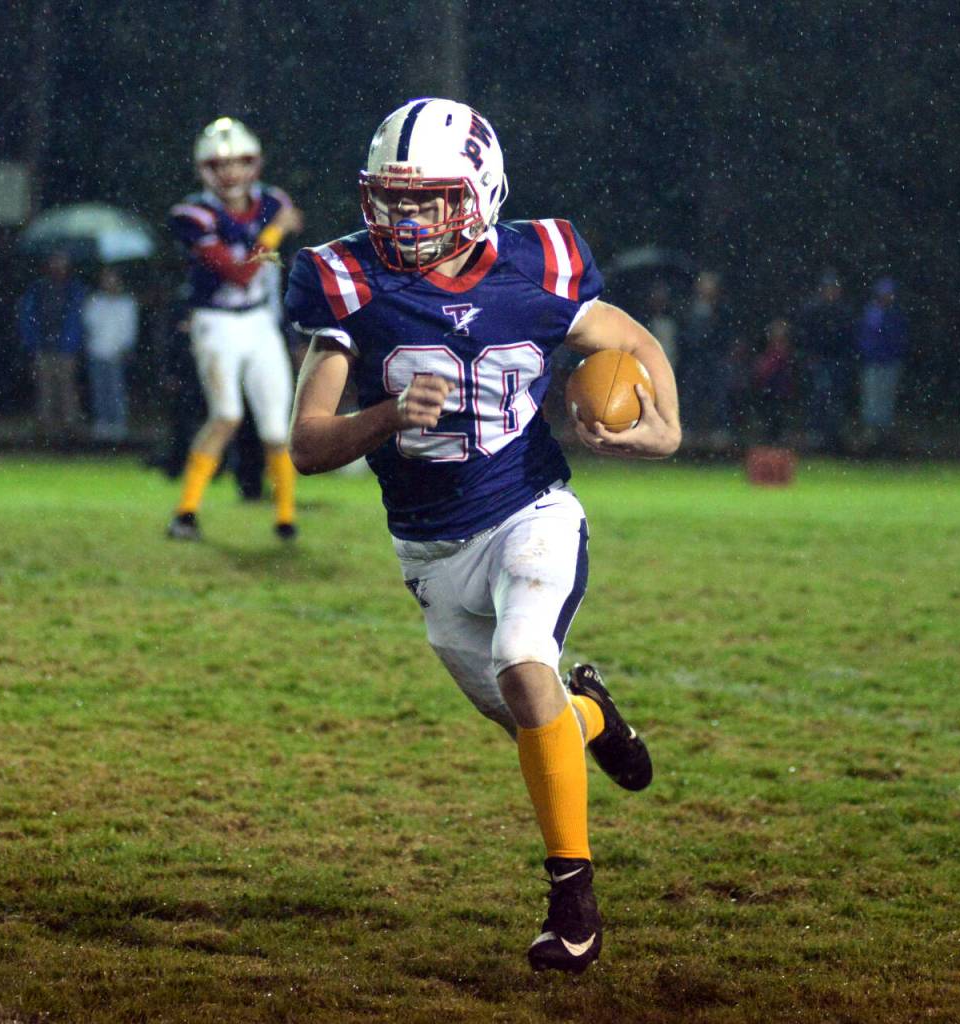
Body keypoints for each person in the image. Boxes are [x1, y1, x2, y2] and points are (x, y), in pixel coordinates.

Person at [285, 99, 681, 974]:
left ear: (479, 193)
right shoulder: (350, 281)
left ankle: (572, 898)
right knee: (533, 716)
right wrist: (385, 415)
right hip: (429, 550)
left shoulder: (541, 264)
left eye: (427, 200)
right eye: (392, 199)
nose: (405, 218)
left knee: (521, 658)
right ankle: (593, 716)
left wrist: (665, 431)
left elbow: (629, 337)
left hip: (530, 508)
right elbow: (307, 443)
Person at [166, 117, 304, 541]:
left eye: (240, 162)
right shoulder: (194, 213)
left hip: (260, 322)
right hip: (216, 322)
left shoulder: (270, 200)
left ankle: (285, 519)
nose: (230, 173)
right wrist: (277, 229)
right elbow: (238, 273)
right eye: (220, 164)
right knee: (226, 414)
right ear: (204, 169)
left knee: (277, 428)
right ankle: (185, 512)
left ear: (254, 164)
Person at [18, 250, 87, 443]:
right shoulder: (38, 289)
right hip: (43, 345)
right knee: (45, 388)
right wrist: (32, 342)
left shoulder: (74, 289)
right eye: (55, 262)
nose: (58, 266)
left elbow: (78, 319)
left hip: (66, 347)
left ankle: (70, 428)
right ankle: (46, 428)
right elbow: (28, 316)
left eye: (62, 262)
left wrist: (73, 342)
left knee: (67, 388)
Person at [794, 269, 855, 452]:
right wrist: (810, 355)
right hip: (818, 361)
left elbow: (848, 337)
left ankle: (832, 436)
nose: (831, 291)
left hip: (837, 361)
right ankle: (816, 435)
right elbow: (804, 335)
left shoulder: (843, 311)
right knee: (818, 398)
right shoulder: (813, 309)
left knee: (835, 399)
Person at [677, 270, 735, 443]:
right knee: (691, 395)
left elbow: (726, 335)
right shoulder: (687, 308)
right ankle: (688, 430)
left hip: (715, 358)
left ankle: (719, 430)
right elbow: (682, 334)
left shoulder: (722, 309)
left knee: (718, 395)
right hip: (694, 359)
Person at [82, 266, 139, 442]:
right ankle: (102, 424)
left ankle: (118, 425)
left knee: (116, 390)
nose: (109, 283)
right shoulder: (95, 301)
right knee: (99, 389)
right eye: (106, 279)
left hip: (116, 353)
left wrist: (125, 348)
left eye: (112, 279)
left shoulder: (127, 303)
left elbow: (130, 329)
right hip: (97, 351)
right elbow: (88, 324)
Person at [857, 276, 908, 448]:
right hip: (872, 363)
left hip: (889, 363)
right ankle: (871, 434)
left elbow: (900, 339)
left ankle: (883, 435)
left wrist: (893, 355)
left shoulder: (895, 314)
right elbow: (865, 338)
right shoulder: (871, 313)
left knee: (886, 398)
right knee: (871, 397)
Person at [752, 318, 796, 443]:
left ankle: (777, 439)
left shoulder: (788, 351)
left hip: (781, 389)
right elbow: (761, 370)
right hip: (768, 388)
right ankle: (769, 440)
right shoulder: (766, 350)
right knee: (768, 415)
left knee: (779, 416)